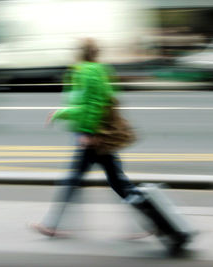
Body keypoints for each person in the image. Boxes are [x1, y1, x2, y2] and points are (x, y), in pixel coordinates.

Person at [31, 39, 140, 236]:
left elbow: (91, 105)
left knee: (74, 180)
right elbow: (106, 100)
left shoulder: (84, 72)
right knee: (117, 181)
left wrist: (88, 131)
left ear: (79, 53)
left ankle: (53, 224)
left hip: (91, 136)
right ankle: (149, 222)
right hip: (99, 133)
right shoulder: (101, 70)